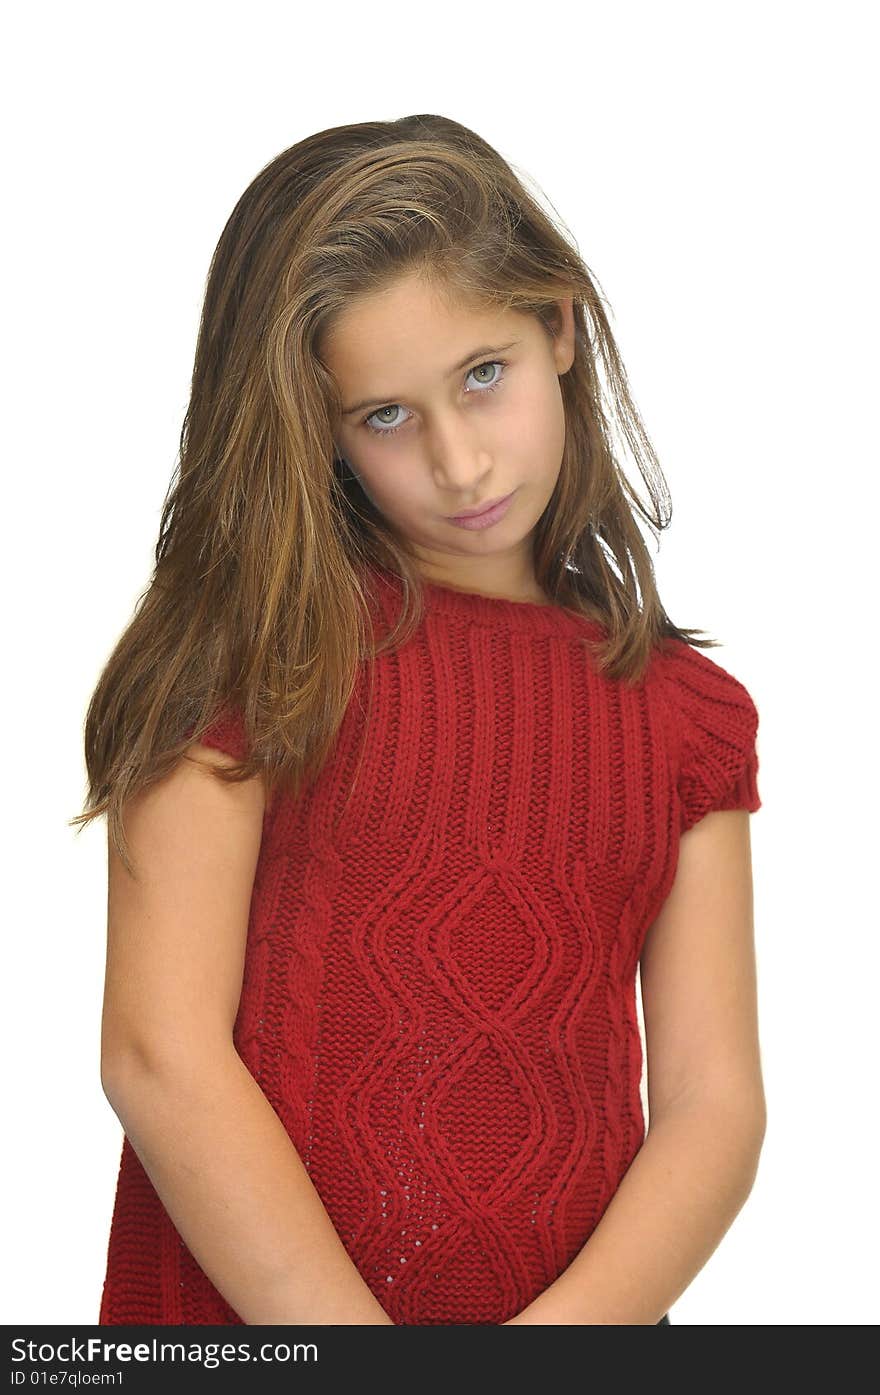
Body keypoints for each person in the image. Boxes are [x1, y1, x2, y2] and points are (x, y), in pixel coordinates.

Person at [75, 114, 765, 1328]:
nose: (459, 464)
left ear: (556, 324)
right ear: (317, 433)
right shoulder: (255, 655)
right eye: (385, 418)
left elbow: (715, 1107)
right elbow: (158, 1054)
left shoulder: (685, 722)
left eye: (481, 377)